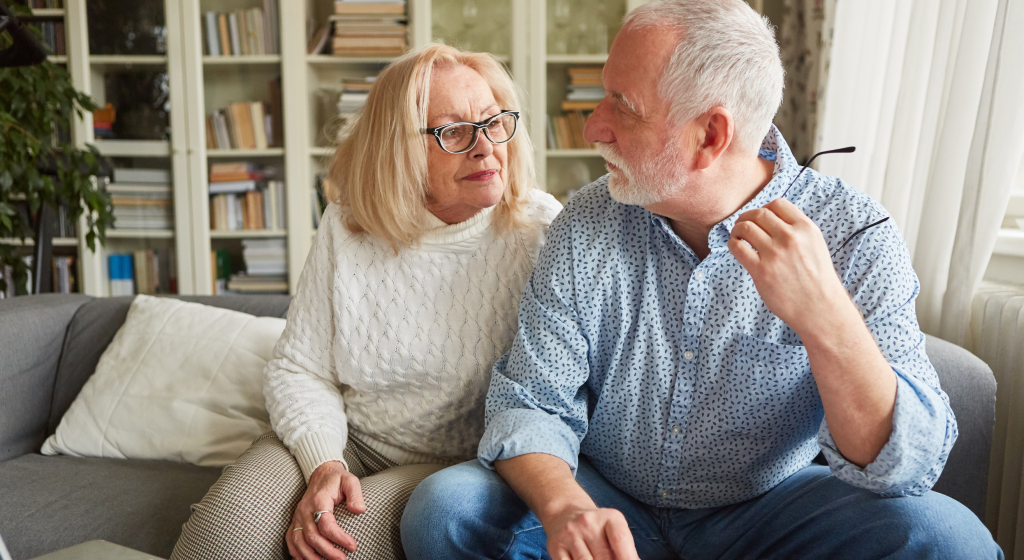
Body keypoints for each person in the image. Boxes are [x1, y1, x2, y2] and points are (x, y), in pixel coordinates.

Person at [400, 1, 1003, 559]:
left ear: (711, 135)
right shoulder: (585, 223)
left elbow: (906, 466)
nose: (594, 127)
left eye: (622, 106)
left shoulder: (853, 233)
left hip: (773, 508)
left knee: (951, 540)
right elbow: (531, 403)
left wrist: (826, 317)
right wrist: (565, 509)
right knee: (446, 511)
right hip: (607, 493)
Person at [168, 43, 561, 560]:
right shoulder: (347, 224)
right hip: (350, 439)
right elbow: (300, 368)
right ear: (399, 148)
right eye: (453, 132)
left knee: (328, 547)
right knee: (221, 539)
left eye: (493, 122)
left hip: (459, 466)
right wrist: (324, 463)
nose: (485, 147)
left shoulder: (543, 230)